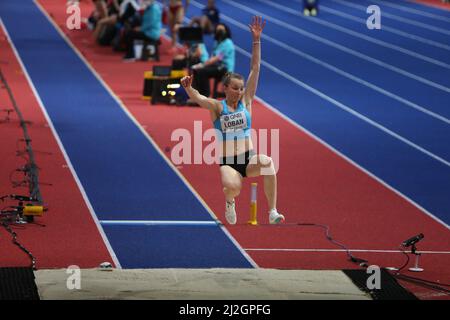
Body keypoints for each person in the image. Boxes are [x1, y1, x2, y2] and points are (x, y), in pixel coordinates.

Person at [180, 16, 285, 225]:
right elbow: (200, 99)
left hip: (248, 158)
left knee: (269, 163)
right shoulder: (218, 107)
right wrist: (188, 87)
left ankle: (272, 211)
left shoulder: (247, 102)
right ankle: (230, 201)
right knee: (233, 188)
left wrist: (256, 40)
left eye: (241, 88)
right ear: (225, 88)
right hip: (229, 163)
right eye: (235, 88)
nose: (239, 91)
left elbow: (255, 68)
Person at [190, 23, 234, 98]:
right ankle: (196, 95)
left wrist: (202, 65)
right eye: (218, 30)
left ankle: (205, 96)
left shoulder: (227, 43)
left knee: (202, 71)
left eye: (221, 30)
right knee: (197, 70)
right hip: (217, 66)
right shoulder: (217, 42)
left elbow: (217, 58)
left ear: (226, 31)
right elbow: (212, 57)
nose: (219, 31)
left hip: (225, 68)